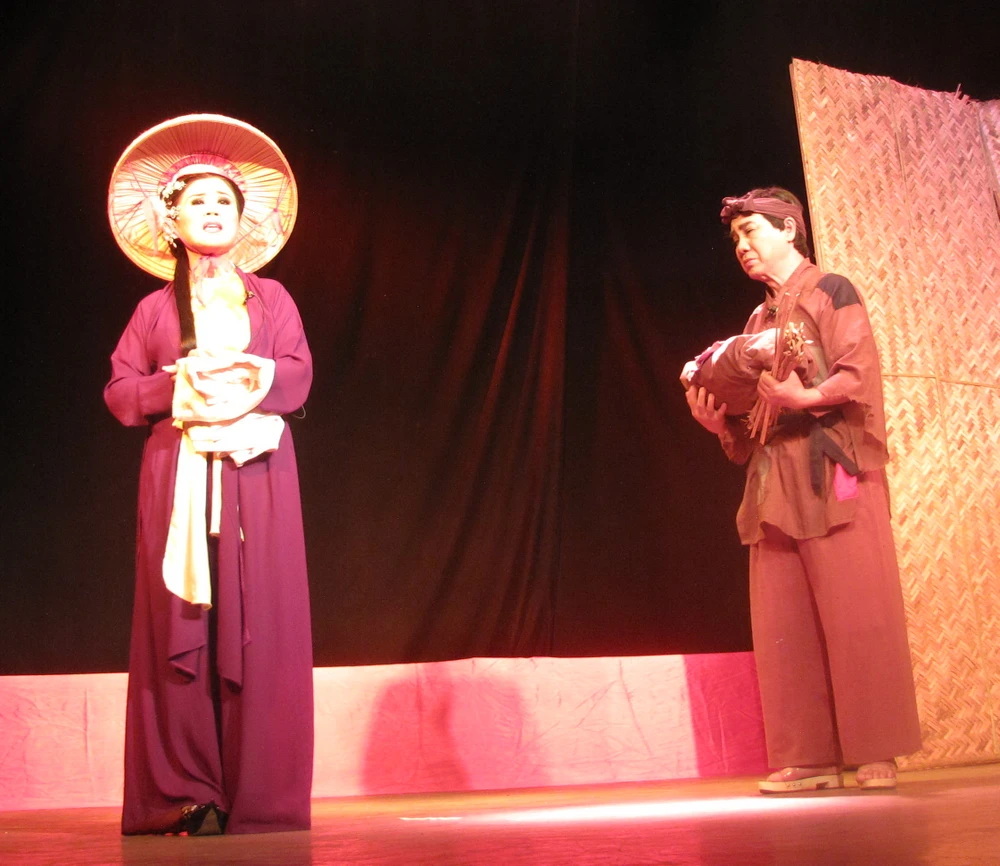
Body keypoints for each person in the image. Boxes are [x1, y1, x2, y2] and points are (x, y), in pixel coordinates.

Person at [104, 115, 313, 833]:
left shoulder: (272, 298)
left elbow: (298, 375)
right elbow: (120, 393)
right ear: (172, 218)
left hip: (258, 476)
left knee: (262, 622)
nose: (213, 210)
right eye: (198, 200)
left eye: (225, 200)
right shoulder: (152, 309)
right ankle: (183, 792)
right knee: (181, 621)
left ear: (243, 218)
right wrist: (176, 386)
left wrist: (251, 378)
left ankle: (261, 791)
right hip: (180, 476)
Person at [681, 187, 921, 793]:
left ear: (789, 230)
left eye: (752, 231)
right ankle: (809, 756)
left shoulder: (831, 290)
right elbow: (754, 424)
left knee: (857, 612)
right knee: (784, 622)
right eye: (735, 238)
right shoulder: (756, 323)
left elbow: (858, 371)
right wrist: (720, 426)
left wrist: (806, 396)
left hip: (832, 471)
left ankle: (875, 750)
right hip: (774, 482)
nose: (741, 246)